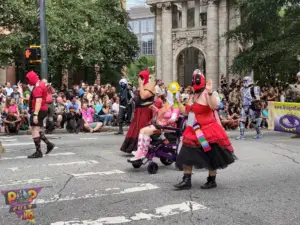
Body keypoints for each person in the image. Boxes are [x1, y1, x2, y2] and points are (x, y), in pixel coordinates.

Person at [174, 69, 236, 190]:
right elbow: (187, 112)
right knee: (187, 153)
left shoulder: (207, 94)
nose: (194, 82)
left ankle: (211, 180)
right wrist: (178, 102)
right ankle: (186, 180)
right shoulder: (193, 95)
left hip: (207, 131)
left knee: (211, 154)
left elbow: (214, 106)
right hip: (193, 130)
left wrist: (210, 92)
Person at [128, 95, 180, 162]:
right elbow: (160, 115)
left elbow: (173, 119)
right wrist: (155, 109)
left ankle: (143, 152)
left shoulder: (175, 108)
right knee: (142, 130)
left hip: (169, 128)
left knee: (145, 131)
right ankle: (141, 151)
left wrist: (163, 124)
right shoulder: (167, 106)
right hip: (160, 126)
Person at [120, 70, 155, 154]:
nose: (139, 79)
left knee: (142, 128)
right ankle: (133, 148)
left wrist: (141, 84)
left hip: (146, 110)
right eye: (139, 77)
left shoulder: (150, 86)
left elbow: (143, 96)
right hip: (138, 110)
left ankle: (143, 148)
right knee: (135, 128)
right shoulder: (142, 86)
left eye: (141, 77)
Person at [26, 71, 55, 158]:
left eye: (28, 79)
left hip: (38, 110)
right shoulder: (41, 84)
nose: (28, 82)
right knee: (37, 129)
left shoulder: (38, 87)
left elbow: (38, 101)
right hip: (42, 109)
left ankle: (38, 152)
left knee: (34, 130)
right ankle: (49, 144)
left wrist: (35, 114)